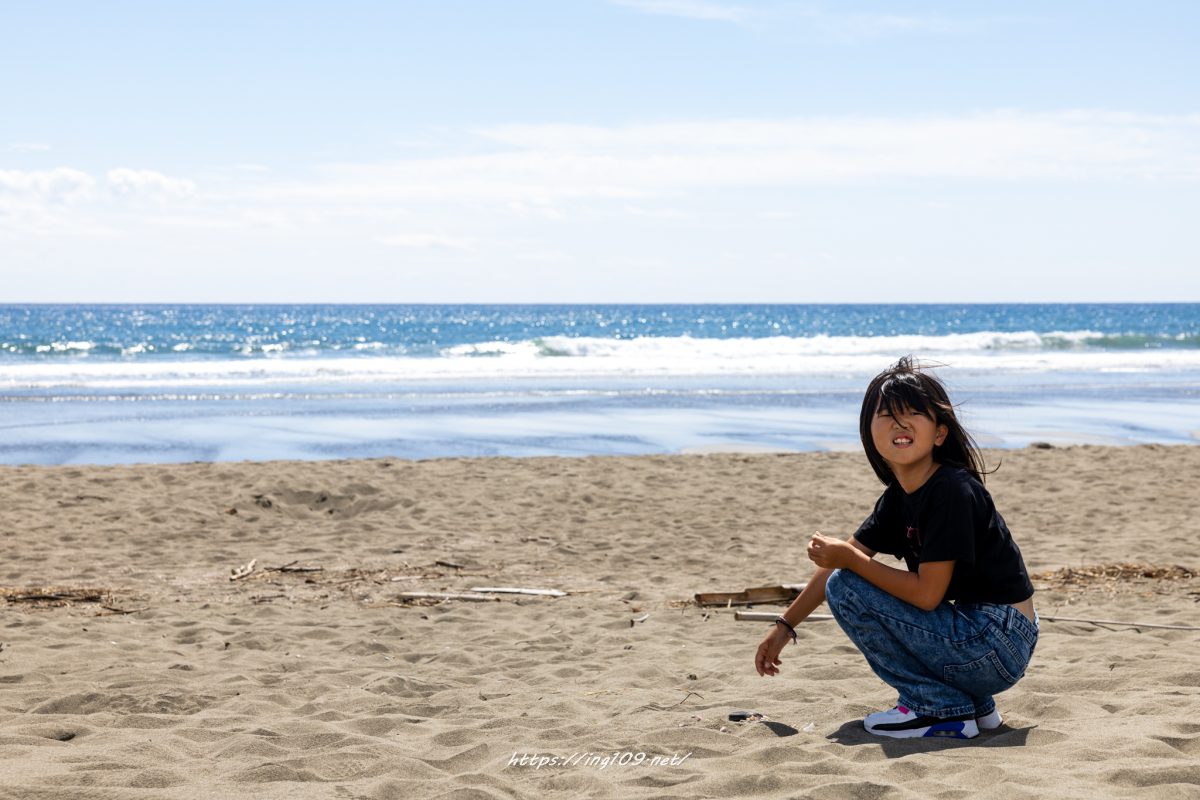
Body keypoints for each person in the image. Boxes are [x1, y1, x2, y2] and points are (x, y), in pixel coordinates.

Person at [754, 356, 1037, 740]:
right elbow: (836, 564)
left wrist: (852, 560)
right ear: (869, 432)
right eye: (887, 414)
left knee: (846, 586)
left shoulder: (950, 490)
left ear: (939, 433)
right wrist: (784, 627)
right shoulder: (898, 498)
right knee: (842, 579)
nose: (900, 423)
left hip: (996, 642)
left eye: (913, 414)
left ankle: (936, 707)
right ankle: (974, 707)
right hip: (986, 641)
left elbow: (926, 594)